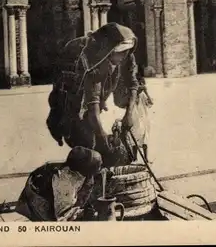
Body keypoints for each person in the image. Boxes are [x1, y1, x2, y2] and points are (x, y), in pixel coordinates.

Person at [46, 22, 140, 165]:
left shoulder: (127, 56)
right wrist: (101, 135)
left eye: (127, 51)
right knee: (88, 148)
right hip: (76, 95)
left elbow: (133, 84)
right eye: (121, 52)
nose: (125, 55)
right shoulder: (94, 66)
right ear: (109, 52)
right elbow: (92, 106)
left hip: (98, 93)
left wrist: (129, 114)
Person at [15, 146, 104, 221]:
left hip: (52, 195)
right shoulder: (65, 182)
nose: (101, 168)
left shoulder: (80, 171)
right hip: (36, 202)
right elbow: (62, 216)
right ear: (86, 169)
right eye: (98, 166)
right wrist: (82, 213)